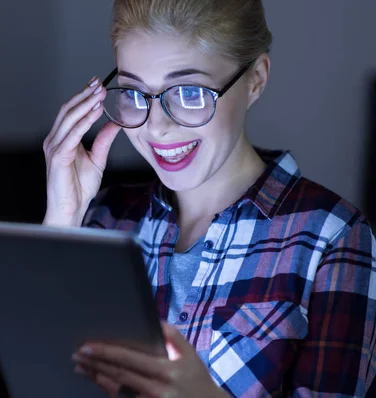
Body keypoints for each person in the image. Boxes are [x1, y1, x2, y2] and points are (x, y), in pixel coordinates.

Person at [42, 0, 376, 396]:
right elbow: (39, 373)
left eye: (189, 92)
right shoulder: (105, 219)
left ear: (255, 79)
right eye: (134, 92)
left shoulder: (333, 238)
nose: (157, 127)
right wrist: (62, 217)